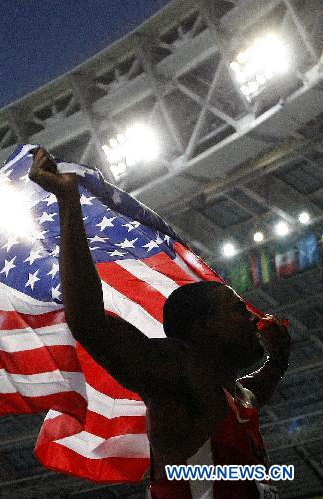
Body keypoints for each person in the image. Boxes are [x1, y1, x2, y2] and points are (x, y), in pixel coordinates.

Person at [27, 146, 291, 498]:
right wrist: (68, 201)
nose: (250, 317)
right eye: (235, 309)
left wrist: (280, 356)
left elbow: (259, 390)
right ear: (203, 328)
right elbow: (89, 323)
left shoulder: (234, 394)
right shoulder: (179, 378)